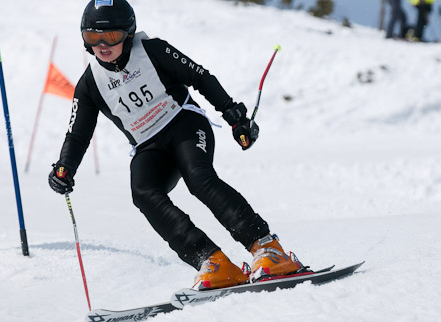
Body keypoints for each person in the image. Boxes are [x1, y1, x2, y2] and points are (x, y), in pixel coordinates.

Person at [48, 0, 301, 290]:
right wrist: (65, 167)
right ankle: (213, 261)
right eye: (93, 37)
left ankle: (268, 248)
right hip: (148, 145)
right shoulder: (90, 83)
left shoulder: (152, 51)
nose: (102, 45)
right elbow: (77, 133)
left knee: (199, 179)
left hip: (184, 124)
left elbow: (199, 77)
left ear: (128, 34)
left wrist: (233, 115)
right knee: (143, 192)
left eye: (112, 36)